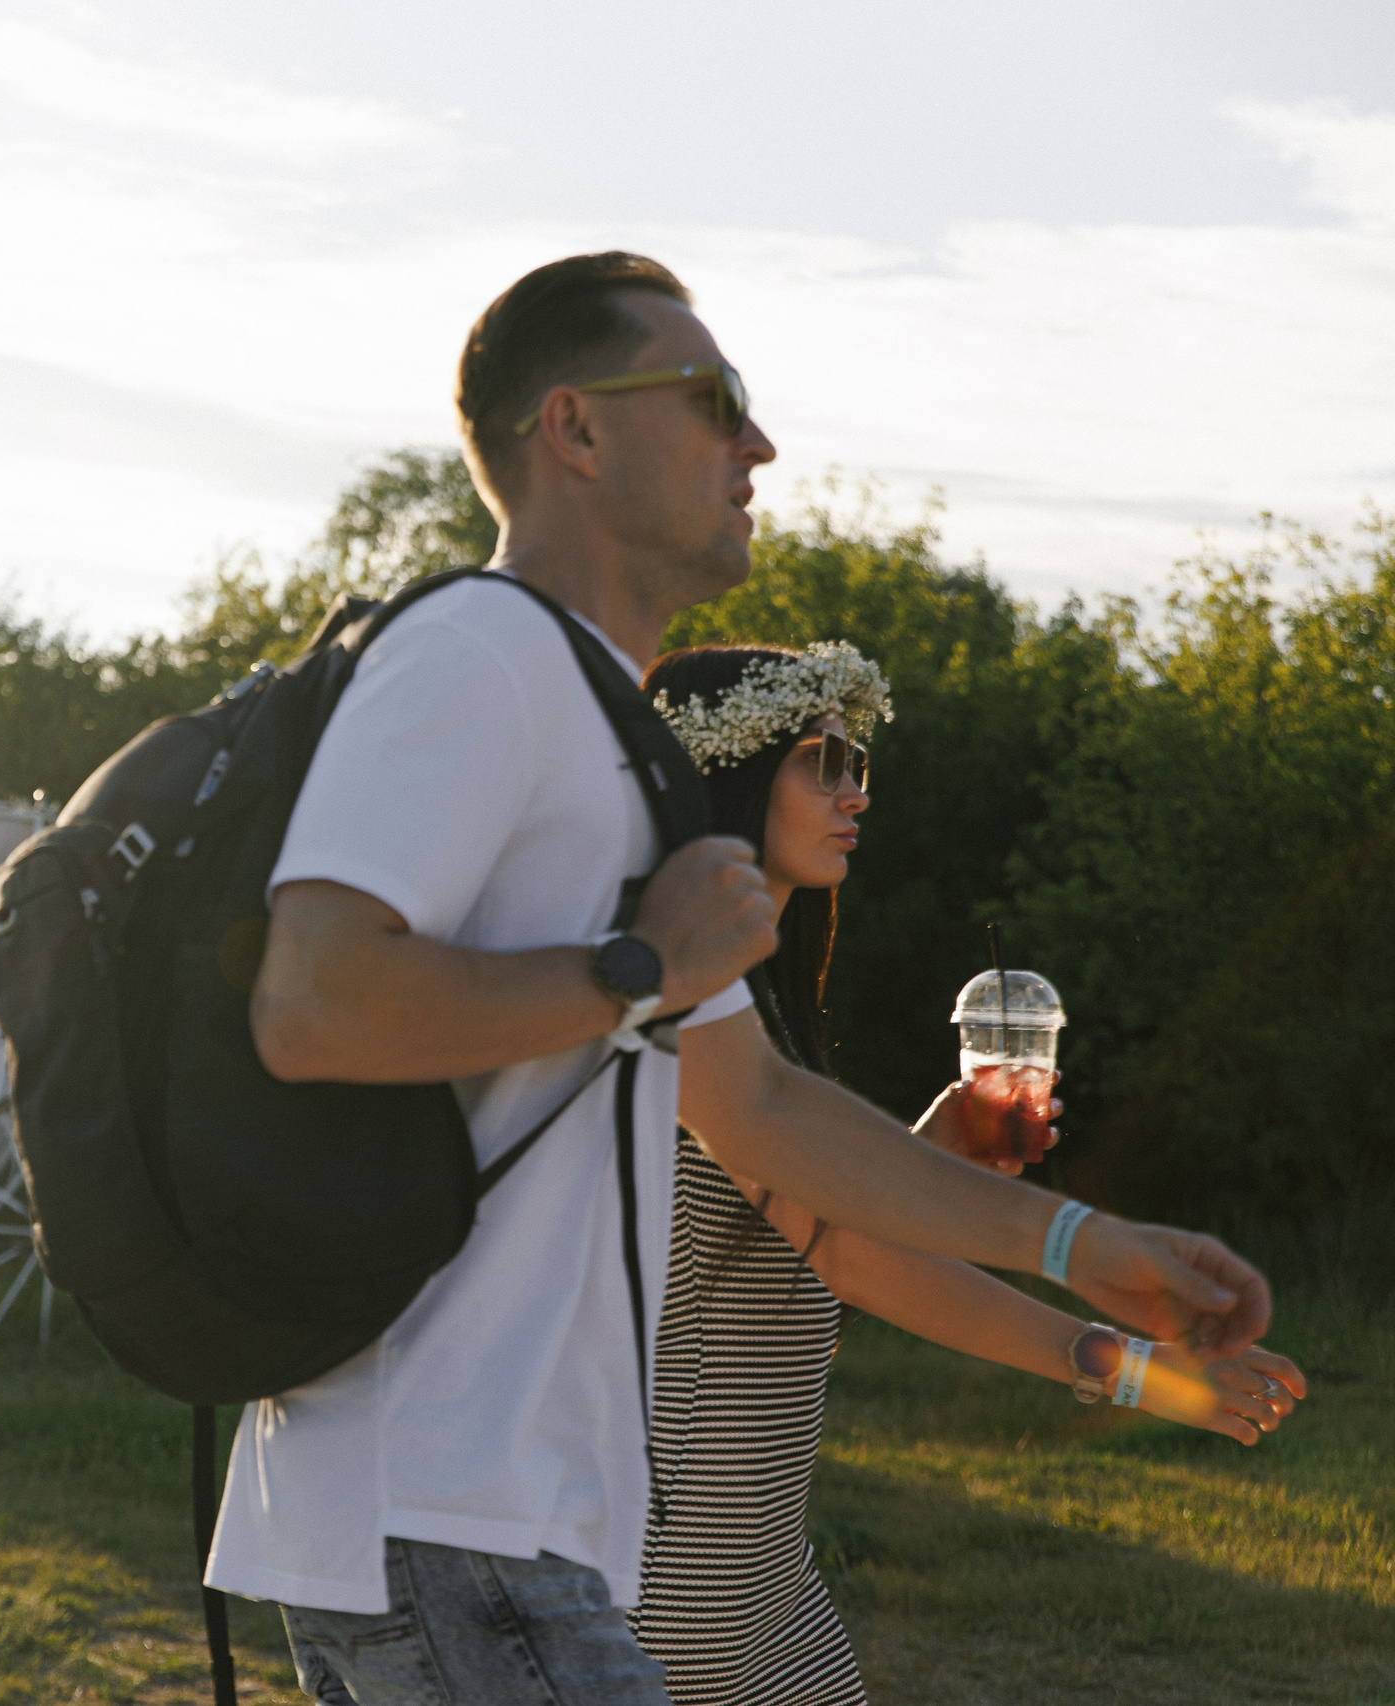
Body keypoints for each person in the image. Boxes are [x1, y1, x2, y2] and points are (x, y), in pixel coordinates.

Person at [205, 251, 1272, 1706]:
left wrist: (1084, 1240)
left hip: (524, 1531)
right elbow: (312, 1000)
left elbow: (766, 1114)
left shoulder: (608, 753)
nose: (756, 443)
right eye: (714, 400)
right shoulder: (476, 650)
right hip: (439, 1516)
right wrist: (638, 964)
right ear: (572, 430)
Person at [628, 642, 1308, 1706]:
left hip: (762, 1581)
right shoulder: (674, 995)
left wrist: (928, 1153)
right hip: (666, 1580)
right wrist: (1139, 1365)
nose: (856, 791)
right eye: (823, 759)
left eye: (859, 762)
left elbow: (782, 1249)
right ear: (728, 770)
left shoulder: (750, 1009)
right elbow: (848, 1251)